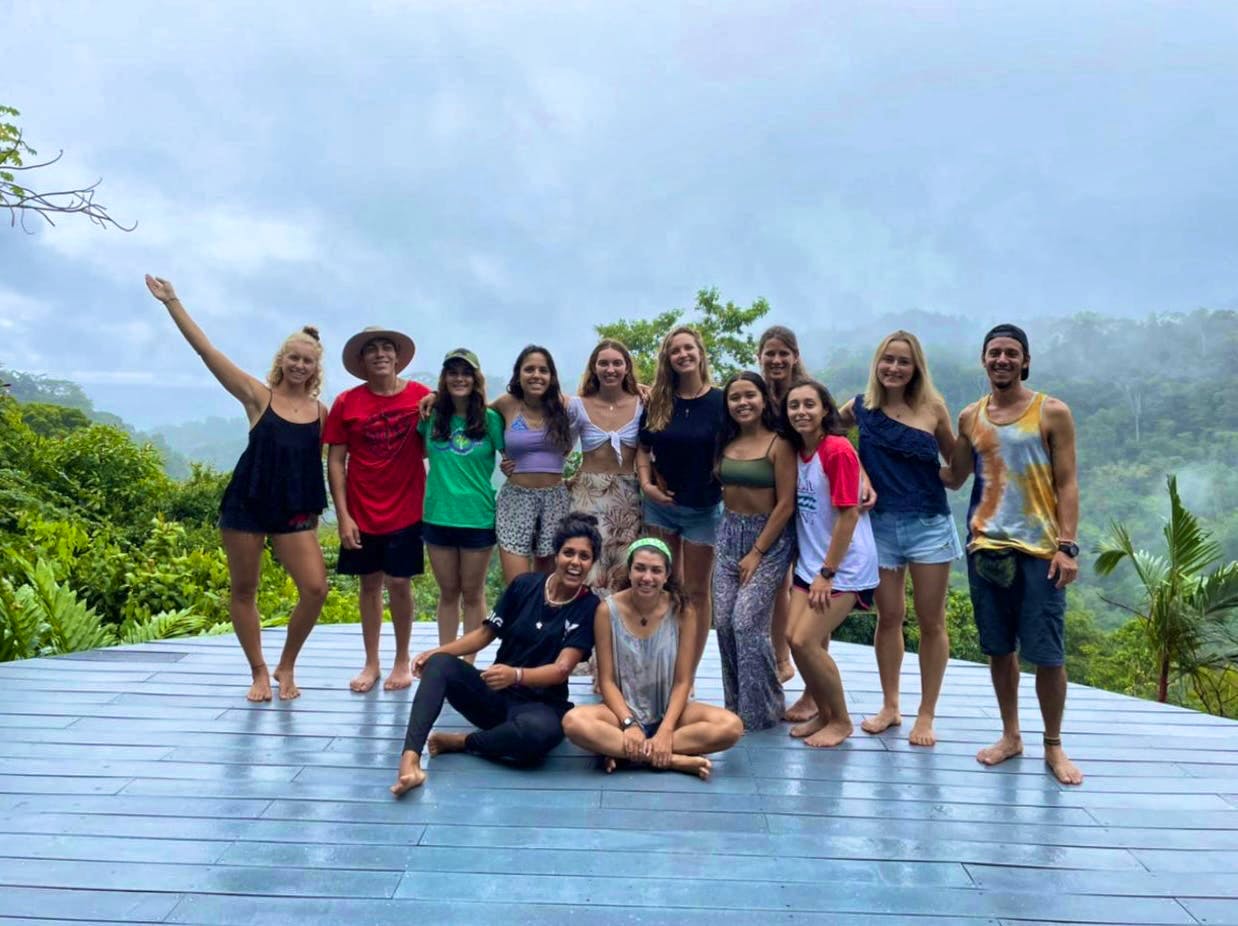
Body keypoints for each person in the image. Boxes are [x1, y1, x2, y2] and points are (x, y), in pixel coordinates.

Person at [145, 275, 328, 703]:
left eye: (307, 361)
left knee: (315, 588)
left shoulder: (322, 412)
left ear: (316, 369)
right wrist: (173, 302)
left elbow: (331, 463)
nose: (299, 366)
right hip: (247, 504)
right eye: (293, 358)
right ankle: (260, 672)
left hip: (294, 510)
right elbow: (208, 353)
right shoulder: (256, 395)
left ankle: (287, 665)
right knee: (244, 590)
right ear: (281, 360)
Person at [941, 324, 1083, 785]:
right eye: (994, 353)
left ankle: (1054, 745)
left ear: (1025, 361)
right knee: (1000, 650)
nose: (1001, 360)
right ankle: (1010, 735)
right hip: (986, 548)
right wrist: (897, 449)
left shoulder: (1051, 412)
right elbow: (955, 476)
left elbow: (1067, 483)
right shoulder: (969, 417)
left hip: (1040, 552)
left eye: (1011, 353)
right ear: (983, 361)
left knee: (1047, 654)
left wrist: (1067, 545)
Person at [391, 513, 603, 795]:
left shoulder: (589, 606)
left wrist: (516, 675)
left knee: (537, 737)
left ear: (591, 563)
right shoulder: (524, 585)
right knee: (440, 665)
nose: (575, 562)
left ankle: (464, 742)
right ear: (556, 554)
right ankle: (410, 759)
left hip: (540, 707)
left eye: (584, 557)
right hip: (495, 693)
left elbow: (562, 668)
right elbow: (484, 634)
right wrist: (437, 651)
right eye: (569, 553)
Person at [837, 331, 961, 747]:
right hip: (881, 525)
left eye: (903, 361)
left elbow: (956, 471)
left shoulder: (934, 409)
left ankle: (926, 714)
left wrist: (947, 470)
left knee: (931, 621)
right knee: (888, 617)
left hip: (928, 523)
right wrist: (860, 474)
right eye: (887, 359)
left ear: (915, 368)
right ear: (877, 363)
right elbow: (827, 433)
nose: (893, 367)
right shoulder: (861, 407)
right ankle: (891, 706)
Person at [562, 539, 743, 779]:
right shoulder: (607, 611)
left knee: (731, 727)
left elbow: (683, 681)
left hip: (671, 713)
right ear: (630, 570)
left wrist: (666, 730)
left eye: (656, 570)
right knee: (573, 722)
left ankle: (626, 751)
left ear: (667, 574)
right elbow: (606, 682)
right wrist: (629, 723)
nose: (647, 577)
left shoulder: (682, 610)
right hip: (621, 713)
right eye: (640, 568)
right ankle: (671, 759)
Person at [324, 326, 431, 693]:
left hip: (407, 507)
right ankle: (371, 662)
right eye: (372, 350)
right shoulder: (346, 403)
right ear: (362, 360)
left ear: (398, 357)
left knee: (400, 583)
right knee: (368, 584)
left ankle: (402, 660)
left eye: (387, 348)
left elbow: (442, 438)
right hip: (361, 509)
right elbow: (335, 461)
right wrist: (343, 516)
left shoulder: (421, 397)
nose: (381, 354)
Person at [784, 379, 879, 747]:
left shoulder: (836, 450)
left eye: (809, 405)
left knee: (806, 641)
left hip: (844, 567)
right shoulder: (800, 450)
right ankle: (823, 713)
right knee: (795, 640)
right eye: (794, 406)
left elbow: (849, 515)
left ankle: (840, 720)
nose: (801, 412)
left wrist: (828, 574)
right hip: (811, 565)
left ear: (826, 409)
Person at [711, 372, 797, 731]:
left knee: (746, 622)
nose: (743, 403)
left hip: (769, 539)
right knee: (725, 624)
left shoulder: (779, 443)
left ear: (763, 400)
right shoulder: (724, 441)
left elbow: (786, 503)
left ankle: (763, 706)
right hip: (729, 532)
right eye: (735, 398)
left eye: (750, 396)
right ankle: (736, 706)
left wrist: (757, 551)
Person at [637, 326, 725, 670]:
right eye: (676, 351)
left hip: (704, 509)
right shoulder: (659, 400)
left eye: (689, 348)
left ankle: (688, 668)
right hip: (661, 507)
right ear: (668, 359)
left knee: (697, 593)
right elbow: (643, 449)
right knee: (663, 585)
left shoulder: (721, 401)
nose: (683, 355)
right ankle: (663, 662)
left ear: (700, 352)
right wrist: (647, 484)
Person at [419, 348, 505, 660]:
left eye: (466, 373)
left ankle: (467, 661)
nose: (459, 378)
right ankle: (445, 657)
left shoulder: (490, 420)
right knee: (448, 592)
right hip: (438, 515)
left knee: (473, 593)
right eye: (453, 372)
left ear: (475, 378)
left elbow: (513, 456)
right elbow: (415, 453)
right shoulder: (431, 418)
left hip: (478, 517)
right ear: (444, 378)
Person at [566, 339, 644, 593]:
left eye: (617, 363)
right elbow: (559, 447)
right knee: (587, 564)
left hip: (627, 495)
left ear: (627, 367)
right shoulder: (578, 405)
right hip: (588, 494)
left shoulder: (643, 403)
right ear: (594, 368)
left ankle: (616, 630)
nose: (610, 369)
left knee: (622, 569)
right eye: (603, 363)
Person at [493, 346, 575, 584]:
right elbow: (472, 414)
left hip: (555, 500)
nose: (536, 375)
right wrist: (503, 453)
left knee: (549, 583)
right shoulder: (507, 404)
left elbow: (599, 405)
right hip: (515, 499)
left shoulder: (564, 405)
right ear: (518, 374)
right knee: (518, 585)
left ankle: (545, 623)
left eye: (543, 370)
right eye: (529, 369)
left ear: (552, 376)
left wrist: (637, 390)